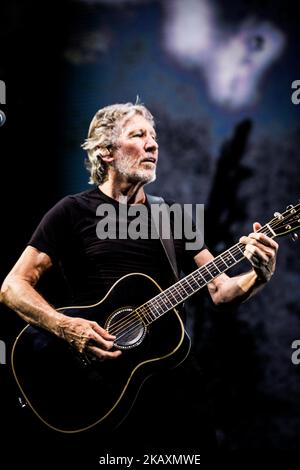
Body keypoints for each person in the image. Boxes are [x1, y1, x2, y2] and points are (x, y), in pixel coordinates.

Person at [0, 102, 278, 453]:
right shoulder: (71, 212)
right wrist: (65, 327)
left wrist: (258, 275)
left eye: (154, 137)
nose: (153, 144)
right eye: (138, 135)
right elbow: (12, 287)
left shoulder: (172, 216)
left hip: (173, 387)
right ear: (106, 152)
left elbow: (220, 290)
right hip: (99, 385)